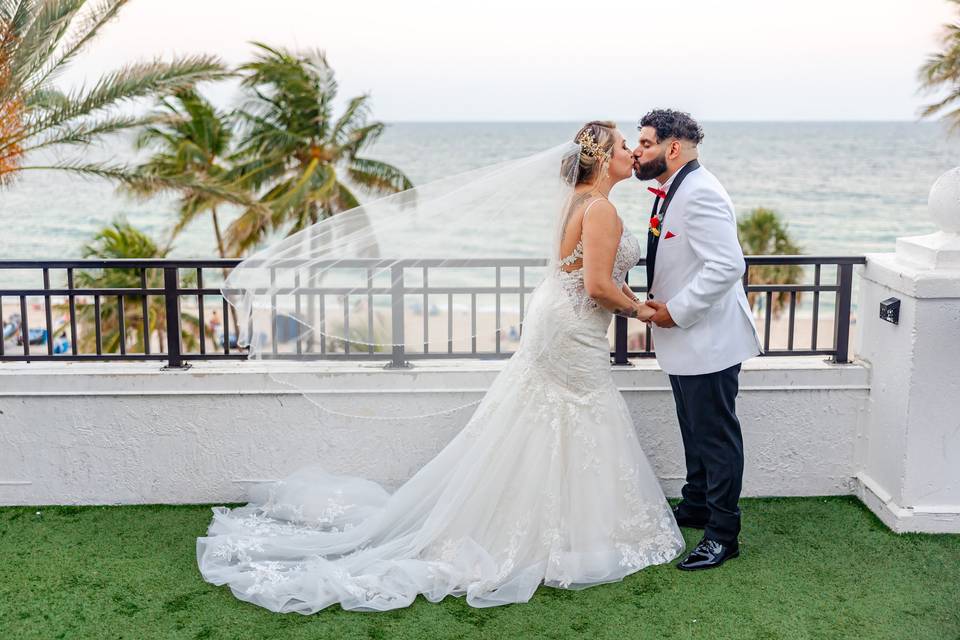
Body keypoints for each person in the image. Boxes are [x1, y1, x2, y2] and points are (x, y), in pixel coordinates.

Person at [196, 121, 685, 613]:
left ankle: (548, 526)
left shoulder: (577, 201)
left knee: (546, 417)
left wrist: (634, 300)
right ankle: (571, 533)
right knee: (579, 412)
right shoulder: (601, 209)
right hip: (572, 329)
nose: (631, 152)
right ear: (602, 158)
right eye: (624, 145)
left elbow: (581, 276)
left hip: (558, 319)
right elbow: (598, 286)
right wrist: (647, 311)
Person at [633, 109, 763, 570]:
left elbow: (728, 266)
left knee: (715, 436)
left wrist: (676, 310)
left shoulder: (701, 192)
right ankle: (696, 503)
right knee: (692, 426)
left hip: (709, 339)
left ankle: (723, 533)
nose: (637, 150)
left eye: (646, 143)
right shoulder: (674, 188)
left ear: (673, 148)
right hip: (687, 341)